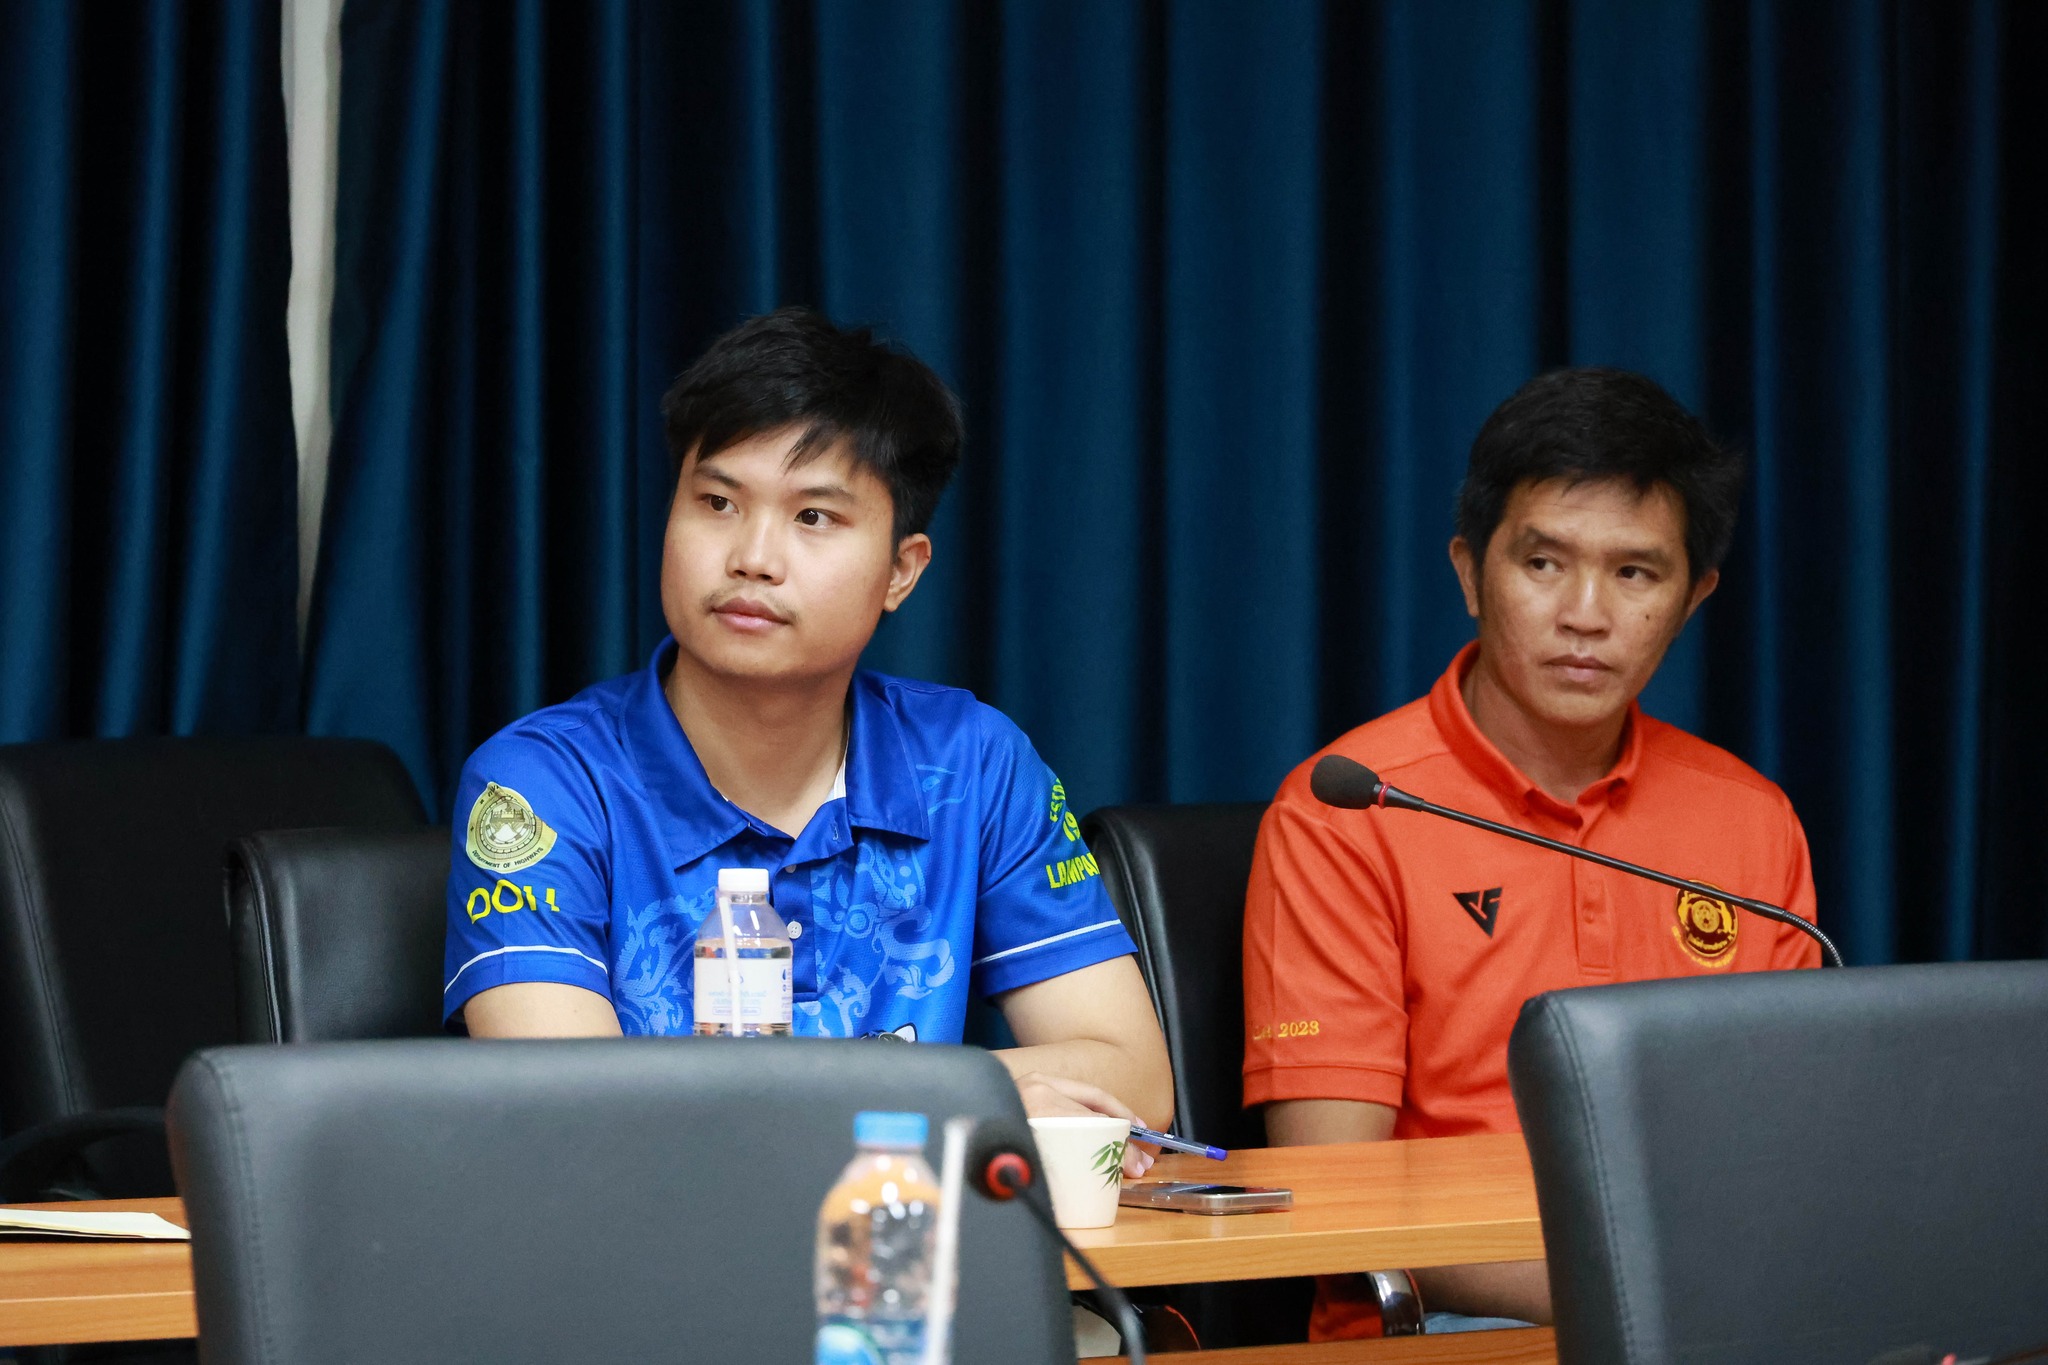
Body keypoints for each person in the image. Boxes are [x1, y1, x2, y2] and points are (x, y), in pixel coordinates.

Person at [444, 307, 1172, 1154]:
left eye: (814, 517)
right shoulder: (541, 783)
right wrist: (953, 1099)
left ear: (901, 572)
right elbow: (572, 1115)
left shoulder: (971, 762)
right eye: (717, 502)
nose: (753, 557)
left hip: (911, 1233)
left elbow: (1135, 1077)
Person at [1242, 368, 1820, 1336]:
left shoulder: (1750, 818)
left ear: (1693, 598)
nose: (1585, 614)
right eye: (1544, 563)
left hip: (1711, 1316)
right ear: (1470, 572)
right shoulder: (1344, 810)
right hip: (1454, 1324)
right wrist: (1655, 1295)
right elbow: (1332, 1193)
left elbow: (1788, 1150)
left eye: (1634, 573)